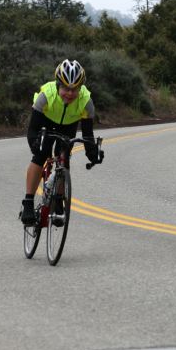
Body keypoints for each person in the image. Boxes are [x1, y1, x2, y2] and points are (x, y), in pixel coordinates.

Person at [21, 59, 102, 225]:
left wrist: (92, 153)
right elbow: (33, 130)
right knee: (40, 154)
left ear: (80, 88)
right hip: (45, 123)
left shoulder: (86, 102)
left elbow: (87, 135)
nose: (70, 94)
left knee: (64, 158)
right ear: (58, 84)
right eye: (66, 88)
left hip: (68, 127)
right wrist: (35, 144)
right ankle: (28, 202)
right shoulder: (45, 96)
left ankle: (58, 200)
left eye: (75, 90)